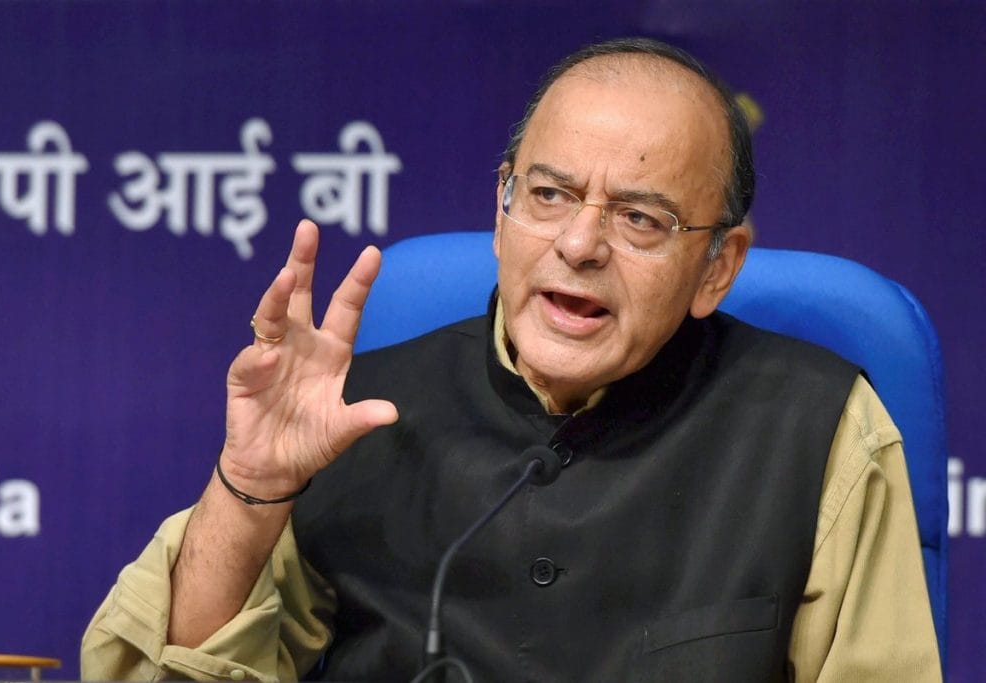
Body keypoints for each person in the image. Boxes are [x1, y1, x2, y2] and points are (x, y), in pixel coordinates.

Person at [82, 38, 942, 681]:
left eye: (639, 218)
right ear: (501, 211)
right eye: (549, 194)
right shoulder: (351, 418)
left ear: (716, 266)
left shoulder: (820, 429)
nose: (579, 242)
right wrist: (251, 490)